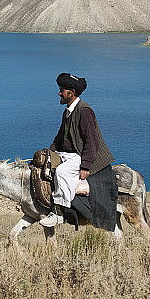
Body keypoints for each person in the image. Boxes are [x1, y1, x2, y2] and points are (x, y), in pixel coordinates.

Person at [40, 72, 114, 227]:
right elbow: (60, 137)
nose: (59, 93)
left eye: (62, 90)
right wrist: (49, 151)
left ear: (71, 93)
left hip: (78, 156)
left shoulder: (84, 111)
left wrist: (86, 166)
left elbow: (91, 141)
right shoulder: (68, 111)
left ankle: (60, 212)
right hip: (66, 154)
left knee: (61, 172)